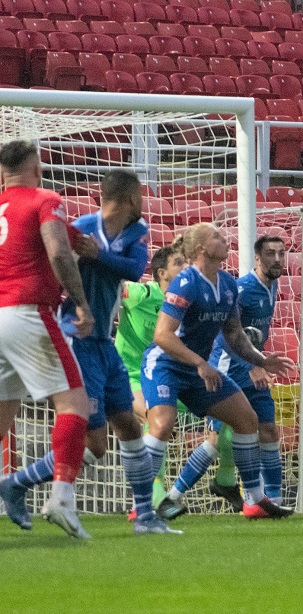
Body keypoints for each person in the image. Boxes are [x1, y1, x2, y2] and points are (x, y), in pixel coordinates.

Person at [0, 170, 180, 535]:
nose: (144, 202)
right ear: (131, 198)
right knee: (95, 443)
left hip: (105, 344)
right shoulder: (78, 225)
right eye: (141, 195)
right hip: (76, 339)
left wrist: (98, 256)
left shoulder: (135, 234)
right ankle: (17, 484)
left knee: (129, 425)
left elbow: (133, 269)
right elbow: (55, 261)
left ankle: (145, 517)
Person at [141, 222, 294, 519]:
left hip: (199, 369)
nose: (226, 240)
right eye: (218, 237)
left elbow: (234, 334)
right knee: (162, 423)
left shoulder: (226, 283)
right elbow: (162, 335)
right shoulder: (185, 283)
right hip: (166, 364)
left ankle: (253, 498)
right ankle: (145, 500)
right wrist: (200, 363)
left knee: (247, 419)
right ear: (201, 249)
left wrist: (261, 361)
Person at [0, 140, 94, 538]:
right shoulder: (45, 197)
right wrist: (81, 303)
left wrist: (71, 235)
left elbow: (36, 236)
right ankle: (60, 498)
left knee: (1, 418)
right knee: (75, 405)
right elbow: (56, 252)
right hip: (28, 311)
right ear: (37, 168)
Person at [114, 241, 198, 510]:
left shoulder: (187, 301)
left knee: (232, 417)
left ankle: (227, 480)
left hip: (168, 374)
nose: (186, 267)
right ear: (162, 273)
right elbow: (113, 288)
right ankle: (153, 496)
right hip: (130, 374)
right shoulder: (140, 293)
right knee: (154, 415)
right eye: (179, 263)